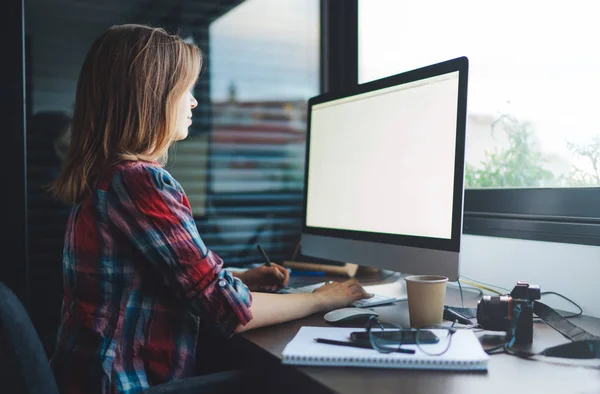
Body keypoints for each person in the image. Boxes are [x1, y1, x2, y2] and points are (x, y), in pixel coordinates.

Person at [49, 24, 371, 394]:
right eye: (186, 90)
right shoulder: (140, 182)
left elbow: (146, 283)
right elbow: (230, 312)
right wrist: (320, 299)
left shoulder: (103, 180)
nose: (194, 102)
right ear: (152, 98)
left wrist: (242, 280)